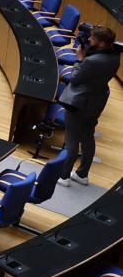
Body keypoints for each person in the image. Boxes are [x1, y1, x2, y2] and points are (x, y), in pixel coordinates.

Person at [56, 26, 119, 186]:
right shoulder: (115, 57)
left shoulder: (91, 61)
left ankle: (64, 176)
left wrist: (79, 59)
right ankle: (82, 174)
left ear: (102, 43)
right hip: (96, 101)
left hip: (80, 102)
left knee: (72, 139)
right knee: (87, 137)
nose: (89, 40)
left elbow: (75, 78)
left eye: (93, 38)